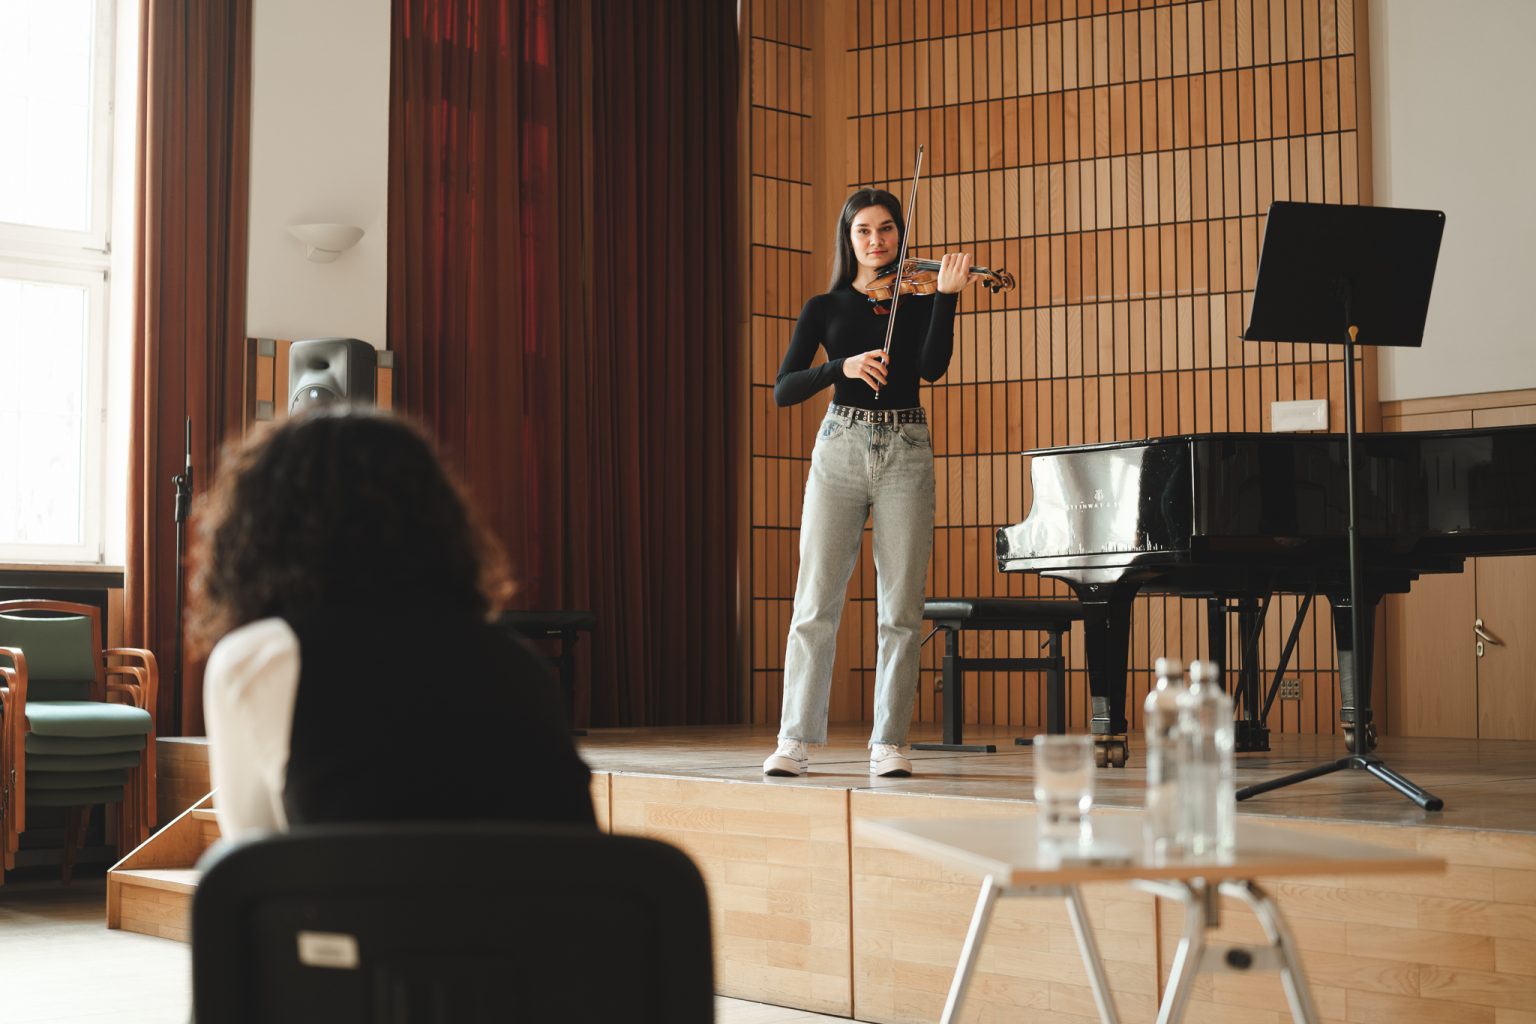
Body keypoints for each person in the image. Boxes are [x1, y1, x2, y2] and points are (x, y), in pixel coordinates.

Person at [189, 406, 596, 840]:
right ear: (438, 520)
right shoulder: (521, 663)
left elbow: (256, 863)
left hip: (347, 888)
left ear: (259, 532)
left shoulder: (260, 658)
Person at [764, 188, 977, 778]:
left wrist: (947, 300)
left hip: (906, 447)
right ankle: (794, 740)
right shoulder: (824, 306)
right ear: (849, 238)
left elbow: (932, 367)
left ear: (899, 235)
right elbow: (784, 388)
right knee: (815, 602)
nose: (876, 240)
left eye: (886, 229)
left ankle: (889, 742)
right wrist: (843, 366)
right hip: (840, 445)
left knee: (901, 607)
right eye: (864, 230)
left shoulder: (919, 297)